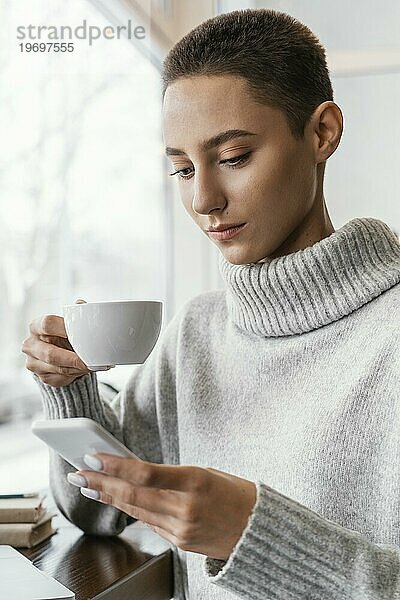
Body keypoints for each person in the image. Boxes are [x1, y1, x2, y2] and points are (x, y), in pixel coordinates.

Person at [21, 8, 400, 600]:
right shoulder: (196, 332)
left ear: (322, 132)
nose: (203, 198)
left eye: (233, 158)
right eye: (181, 168)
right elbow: (101, 512)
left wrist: (255, 534)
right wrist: (71, 389)